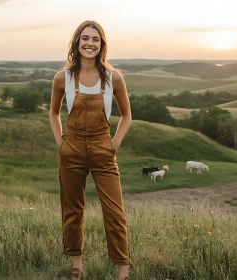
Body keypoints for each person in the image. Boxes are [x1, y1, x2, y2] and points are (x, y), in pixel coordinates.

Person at [49, 20, 132, 280]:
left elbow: (127, 116)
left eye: (95, 39)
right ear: (77, 43)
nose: (90, 43)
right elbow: (53, 113)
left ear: (101, 45)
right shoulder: (63, 78)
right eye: (85, 38)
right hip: (71, 149)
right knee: (72, 210)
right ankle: (77, 266)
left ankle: (123, 271)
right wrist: (61, 144)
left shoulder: (113, 78)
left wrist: (114, 143)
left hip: (102, 150)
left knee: (114, 212)